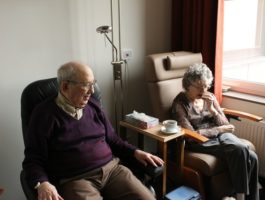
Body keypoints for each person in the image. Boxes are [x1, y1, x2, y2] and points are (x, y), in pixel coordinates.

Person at [22, 61, 164, 200]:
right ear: (65, 86)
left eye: (93, 83)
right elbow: (33, 159)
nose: (92, 91)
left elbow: (113, 140)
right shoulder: (44, 114)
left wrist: (136, 152)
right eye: (86, 85)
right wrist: (42, 183)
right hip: (76, 180)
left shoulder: (93, 106)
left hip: (112, 171)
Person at [171, 63, 259, 200]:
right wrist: (219, 129)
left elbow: (227, 125)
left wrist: (213, 110)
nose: (204, 90)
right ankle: (240, 197)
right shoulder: (180, 103)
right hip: (200, 141)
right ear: (188, 85)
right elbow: (191, 135)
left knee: (248, 154)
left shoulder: (210, 97)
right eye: (199, 87)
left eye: (206, 86)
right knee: (249, 155)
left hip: (221, 135)